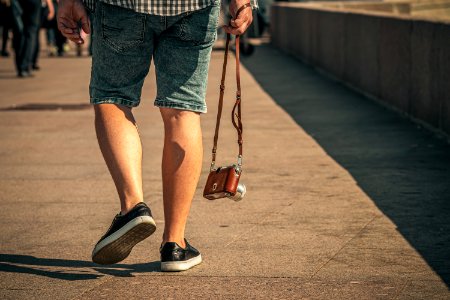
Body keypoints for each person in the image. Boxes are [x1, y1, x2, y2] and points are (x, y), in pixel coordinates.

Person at [57, 0, 256, 272]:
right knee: (182, 111)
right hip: (193, 7)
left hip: (120, 6)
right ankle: (174, 244)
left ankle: (132, 207)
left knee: (113, 99)